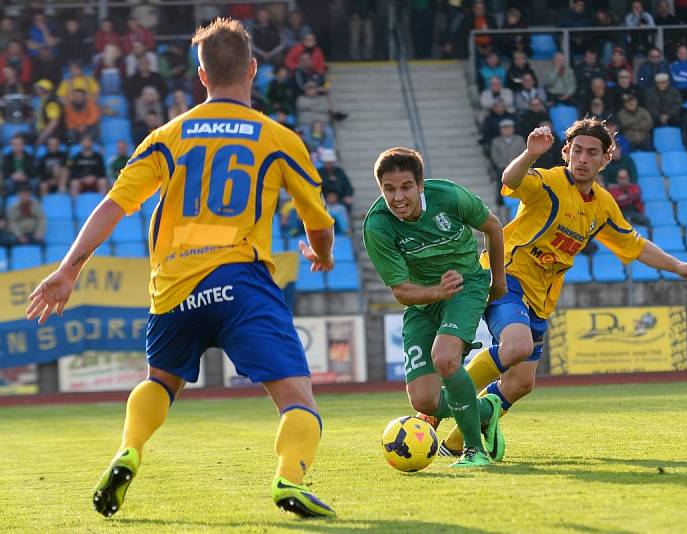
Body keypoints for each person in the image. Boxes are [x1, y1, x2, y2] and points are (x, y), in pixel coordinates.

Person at [26, 18, 337, 520]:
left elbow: (113, 205)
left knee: (160, 382)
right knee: (297, 398)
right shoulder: (278, 138)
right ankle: (290, 479)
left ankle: (129, 449)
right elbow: (318, 222)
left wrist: (68, 270)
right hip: (241, 282)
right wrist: (320, 253)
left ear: (201, 74)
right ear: (253, 69)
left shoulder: (168, 136)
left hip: (173, 289)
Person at [437, 119, 687, 456]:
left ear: (605, 159)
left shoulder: (603, 205)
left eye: (592, 152)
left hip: (540, 298)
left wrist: (679, 267)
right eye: (577, 150)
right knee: (517, 345)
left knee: (522, 383)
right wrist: (529, 154)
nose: (582, 158)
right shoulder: (549, 182)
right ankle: (439, 407)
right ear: (566, 152)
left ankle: (456, 443)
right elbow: (510, 180)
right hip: (505, 276)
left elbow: (634, 245)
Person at [362, 147, 506, 468]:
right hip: (423, 301)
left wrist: (499, 282)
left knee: (445, 359)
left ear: (421, 184)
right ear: (381, 189)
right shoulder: (378, 227)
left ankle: (473, 451)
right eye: (389, 189)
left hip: (465, 286)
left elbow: (493, 227)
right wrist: (435, 291)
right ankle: (485, 410)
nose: (398, 197)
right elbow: (401, 292)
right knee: (424, 400)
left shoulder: (450, 197)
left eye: (406, 187)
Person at [318, 149, 354, 215]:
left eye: (330, 162)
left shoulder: (339, 172)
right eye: (327, 162)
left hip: (339, 201)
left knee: (346, 207)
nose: (329, 164)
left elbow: (348, 187)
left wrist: (347, 196)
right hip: (323, 201)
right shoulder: (319, 172)